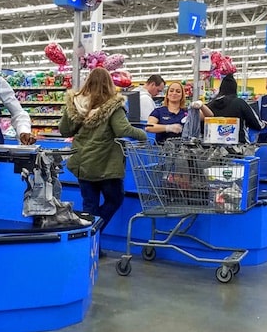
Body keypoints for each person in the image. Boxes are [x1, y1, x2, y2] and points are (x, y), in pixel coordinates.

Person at [59, 68, 147, 256]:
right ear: (109, 84)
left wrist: (69, 111)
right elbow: (123, 129)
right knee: (115, 198)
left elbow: (65, 130)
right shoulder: (113, 105)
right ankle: (93, 234)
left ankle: (89, 245)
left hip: (83, 162)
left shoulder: (76, 103)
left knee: (89, 205)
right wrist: (143, 134)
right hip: (106, 163)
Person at [144, 81, 213, 142]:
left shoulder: (188, 112)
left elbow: (210, 116)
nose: (174, 93)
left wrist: (201, 105)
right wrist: (168, 128)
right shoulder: (158, 111)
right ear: (167, 95)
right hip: (163, 151)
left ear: (182, 95)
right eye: (171, 91)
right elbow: (149, 127)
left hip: (184, 152)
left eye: (178, 91)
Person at [206, 74, 264, 143]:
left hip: (214, 147)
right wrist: (264, 124)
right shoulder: (240, 103)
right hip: (238, 146)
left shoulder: (210, 105)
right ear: (235, 88)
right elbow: (257, 124)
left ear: (221, 88)